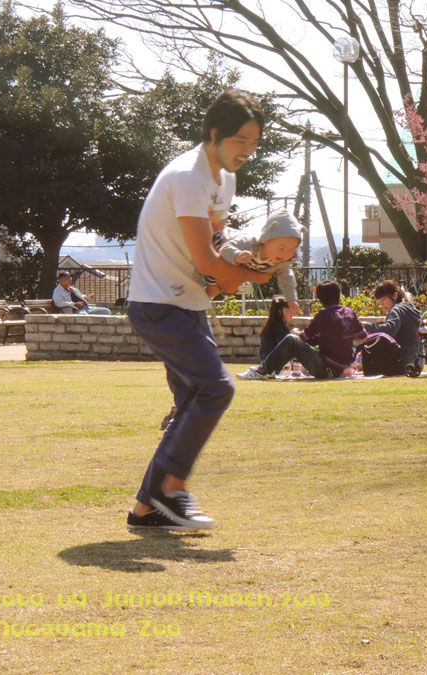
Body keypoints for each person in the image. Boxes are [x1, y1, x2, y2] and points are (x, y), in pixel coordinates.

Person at [124, 89, 273, 532]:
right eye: (240, 141)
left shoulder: (223, 180)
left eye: (254, 143)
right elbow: (207, 262)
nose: (247, 151)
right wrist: (247, 276)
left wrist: (244, 260)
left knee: (194, 398)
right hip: (158, 303)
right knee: (215, 389)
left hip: (187, 304)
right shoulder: (188, 177)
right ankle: (171, 490)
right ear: (214, 134)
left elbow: (215, 243)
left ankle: (146, 509)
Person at [237, 279, 367, 380]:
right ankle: (269, 370)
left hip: (325, 369)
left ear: (320, 300)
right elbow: (362, 336)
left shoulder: (323, 316)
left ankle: (261, 371)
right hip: (344, 368)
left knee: (291, 340)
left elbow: (304, 337)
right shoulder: (350, 312)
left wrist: (295, 333)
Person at [208, 210, 303, 314]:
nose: (285, 254)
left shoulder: (282, 262)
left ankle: (202, 298)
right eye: (281, 248)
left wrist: (291, 299)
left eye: (291, 250)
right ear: (266, 240)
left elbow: (287, 279)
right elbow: (225, 248)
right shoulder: (249, 244)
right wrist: (237, 255)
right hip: (219, 242)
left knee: (211, 290)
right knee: (212, 275)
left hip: (232, 269)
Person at [363, 280, 422, 367]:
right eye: (380, 302)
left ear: (395, 295)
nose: (382, 305)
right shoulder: (409, 308)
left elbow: (389, 330)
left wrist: (366, 326)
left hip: (404, 361)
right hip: (418, 361)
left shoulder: (396, 309)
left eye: (384, 300)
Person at [260, 296, 294, 362]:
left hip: (266, 361)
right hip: (273, 363)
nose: (291, 312)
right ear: (279, 311)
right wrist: (292, 335)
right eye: (288, 309)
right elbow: (283, 347)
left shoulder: (271, 325)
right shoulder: (279, 327)